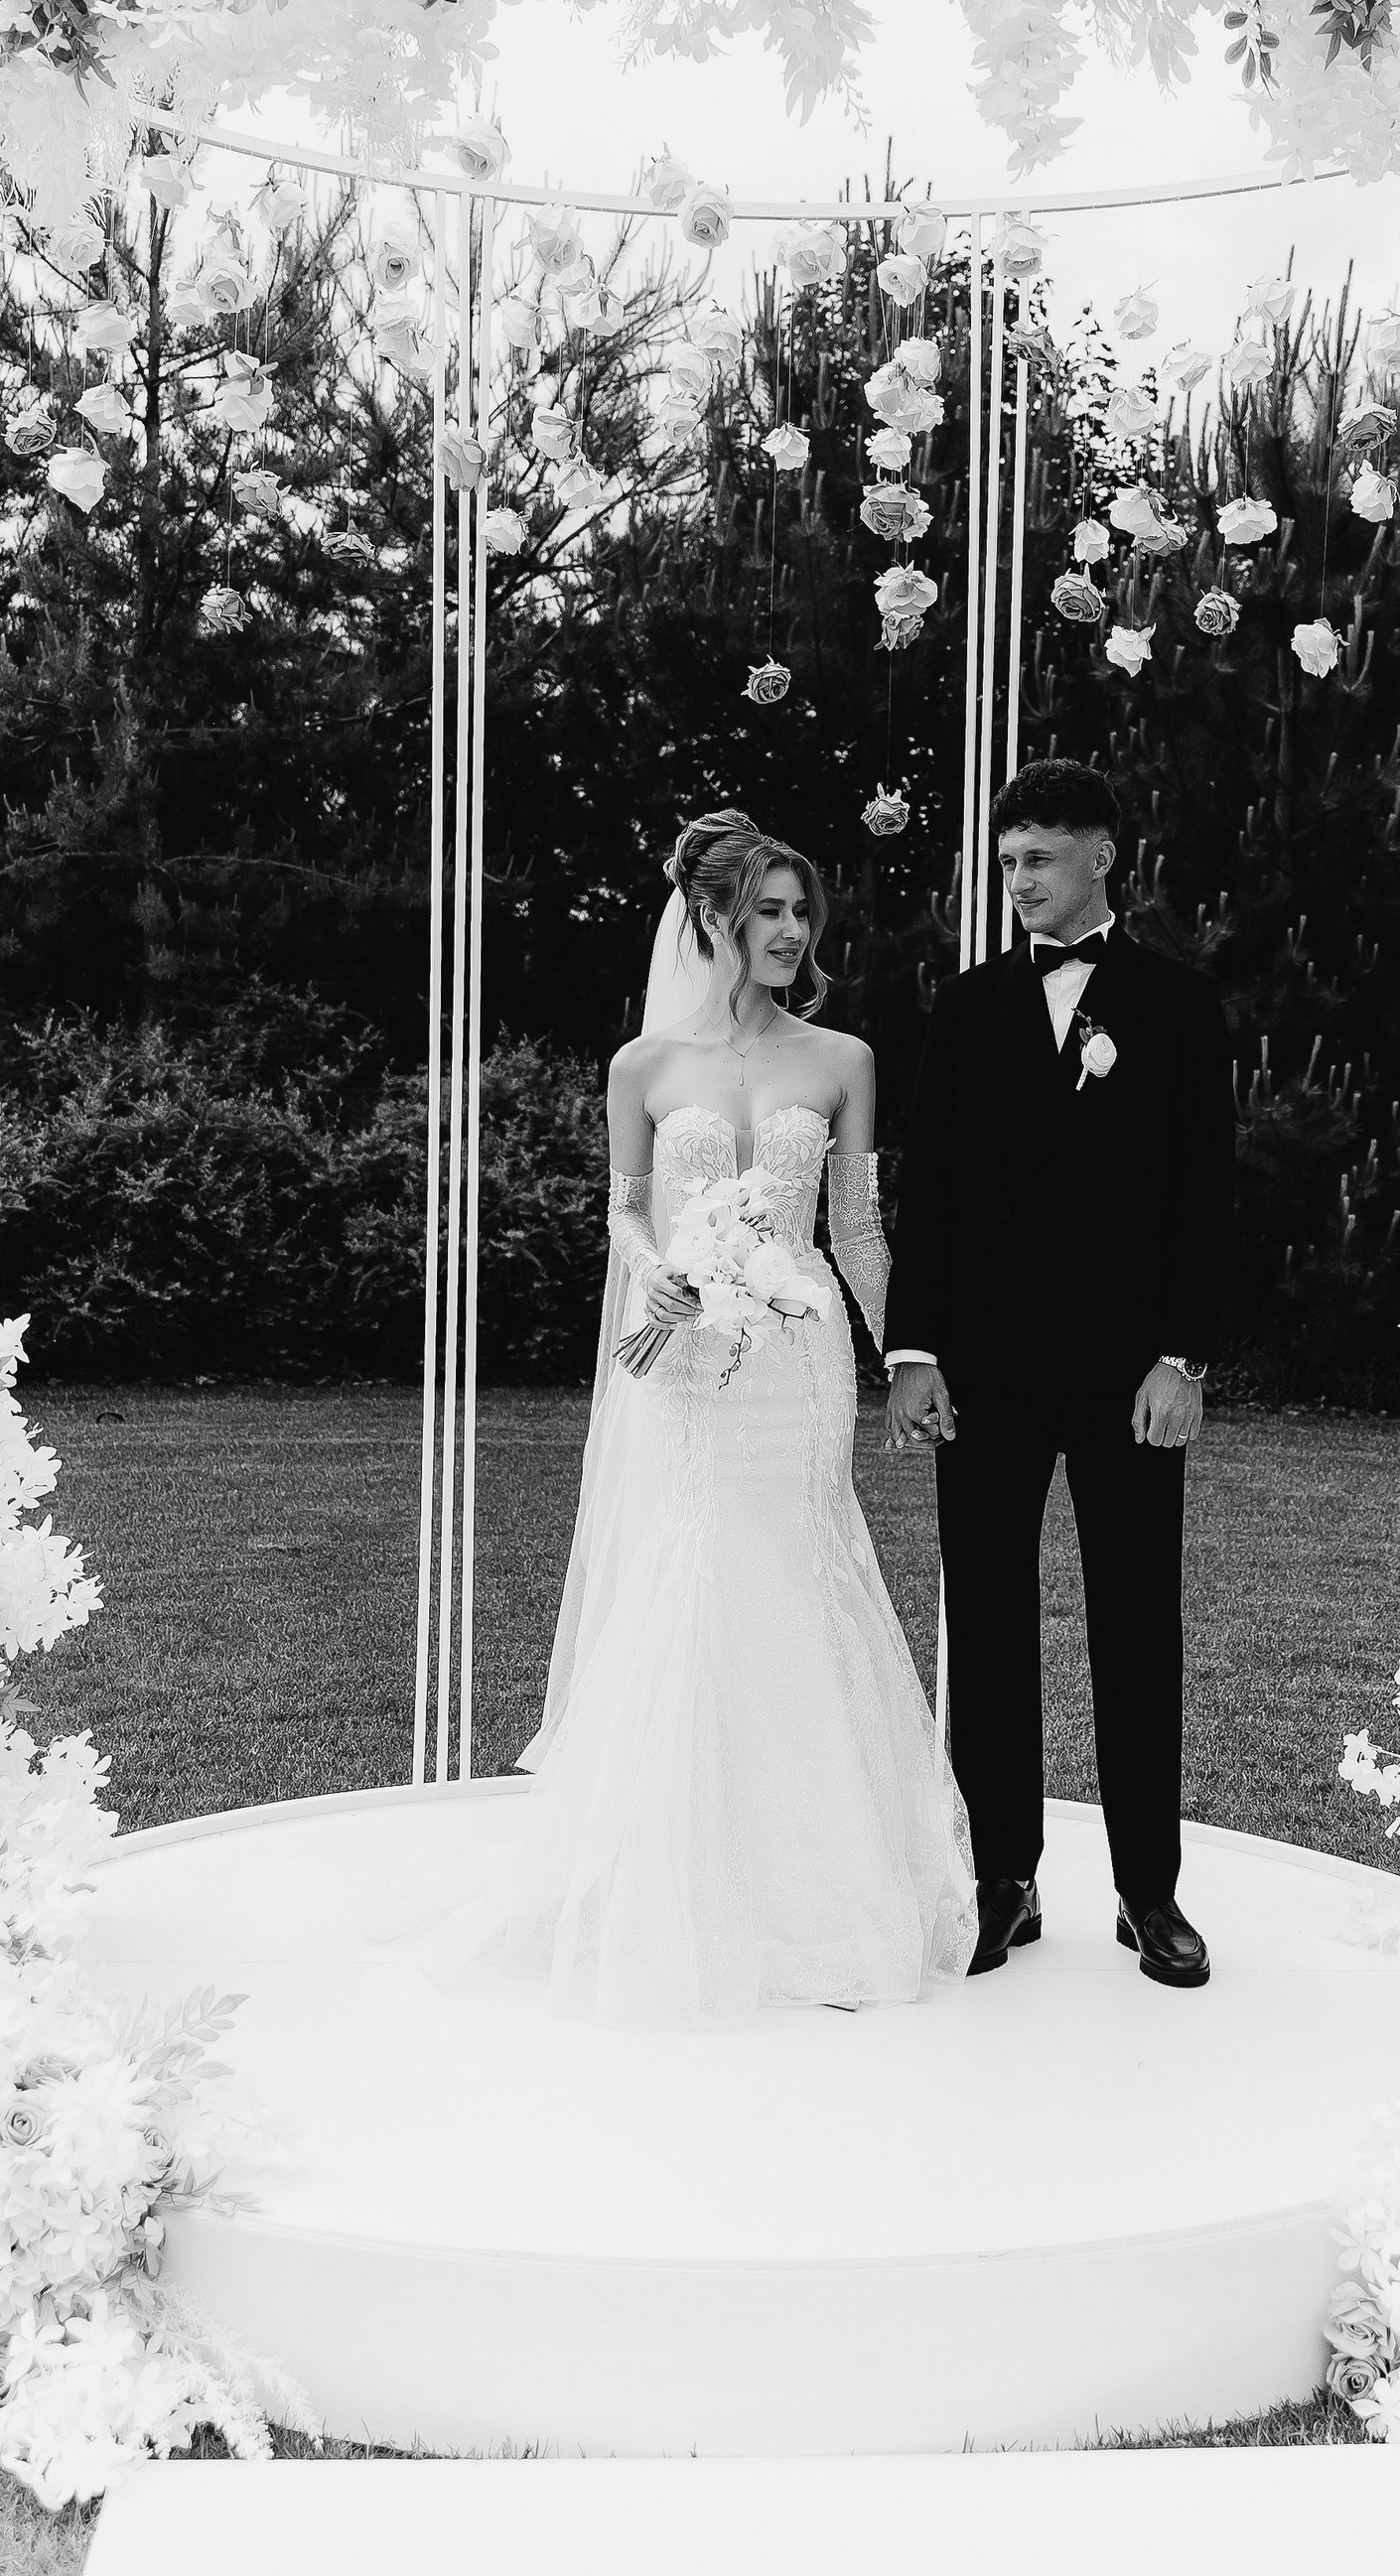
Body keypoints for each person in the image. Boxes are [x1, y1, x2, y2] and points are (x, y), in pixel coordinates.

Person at [419, 808, 977, 2027]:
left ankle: (823, 1890)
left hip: (801, 1355)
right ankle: (673, 1875)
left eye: (801, 911)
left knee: (800, 1560)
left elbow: (857, 1229)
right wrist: (658, 1273)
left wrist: (907, 1357)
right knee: (700, 1561)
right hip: (687, 1352)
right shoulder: (644, 1066)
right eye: (767, 910)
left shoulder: (842, 1059)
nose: (791, 931)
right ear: (712, 917)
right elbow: (624, 1210)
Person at [884, 759, 1235, 1988]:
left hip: (1127, 1371)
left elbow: (1204, 1195)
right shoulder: (968, 1005)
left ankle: (1150, 1892)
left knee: (1138, 1622)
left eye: (1039, 858)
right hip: (985, 1368)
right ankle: (1003, 1879)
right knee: (986, 1624)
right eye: (1008, 861)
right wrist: (915, 1353)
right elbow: (929, 1189)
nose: (1019, 881)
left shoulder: (1179, 1004)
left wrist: (1181, 1355)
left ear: (1102, 855)